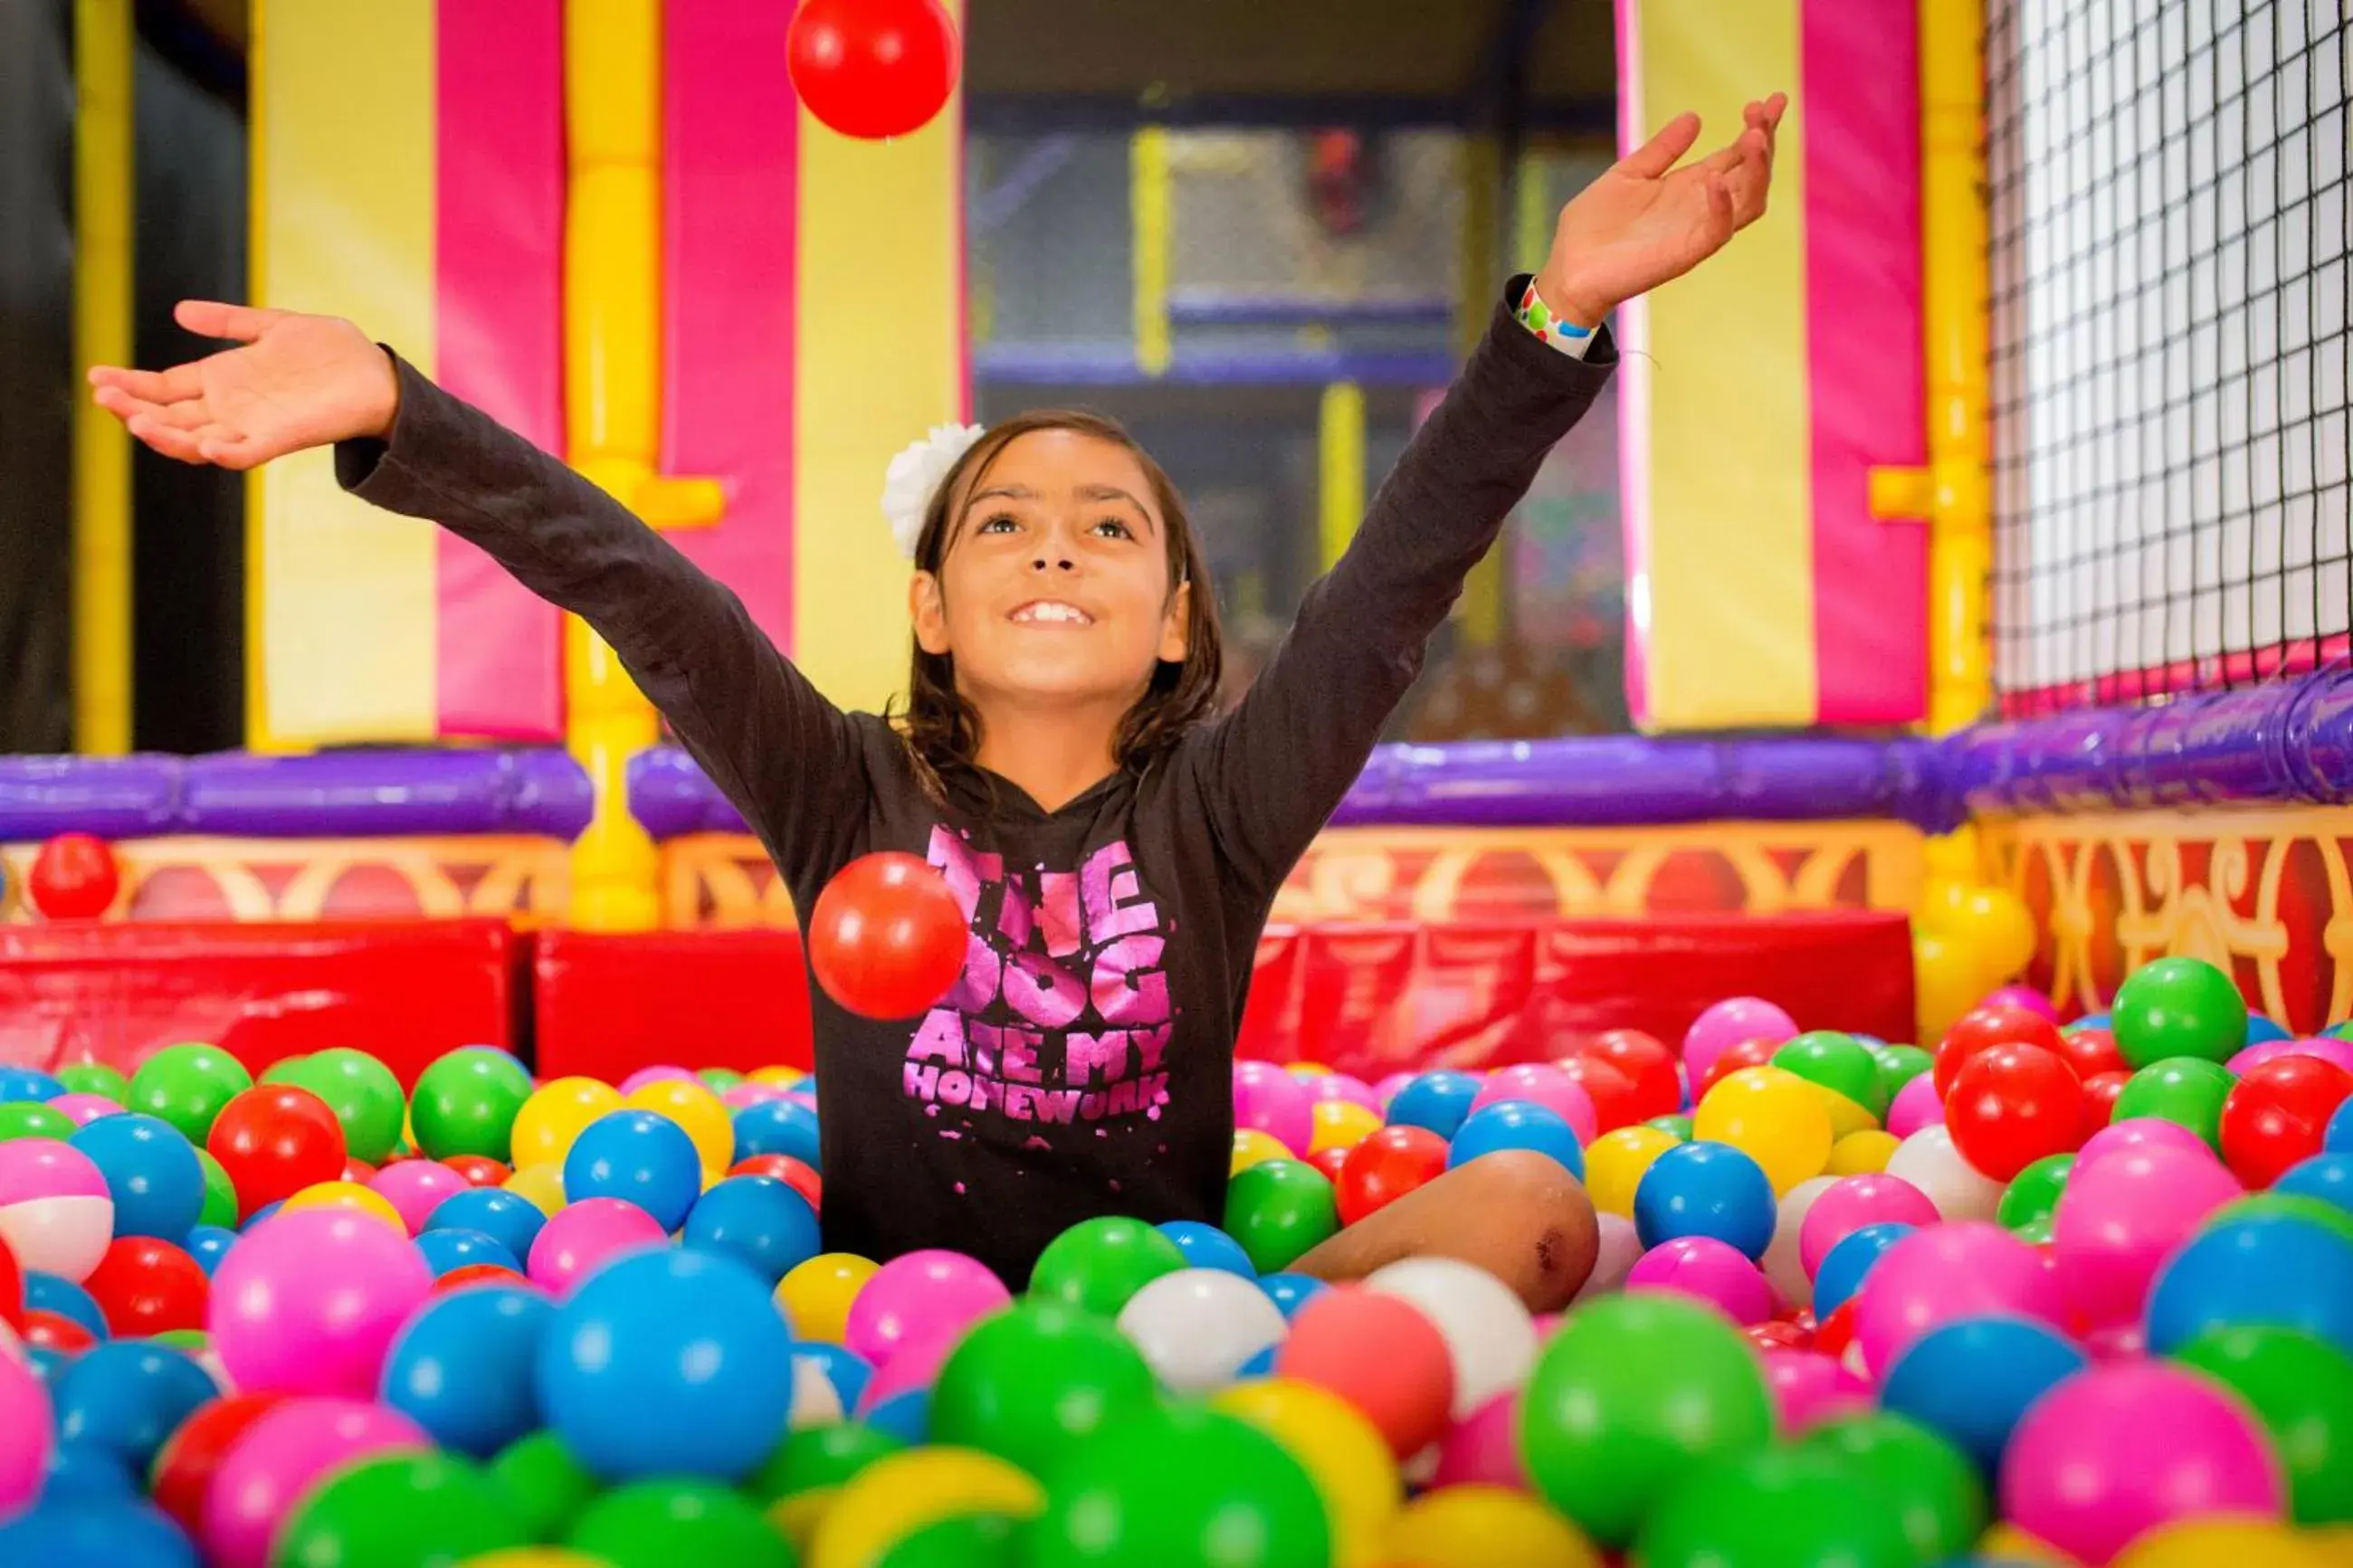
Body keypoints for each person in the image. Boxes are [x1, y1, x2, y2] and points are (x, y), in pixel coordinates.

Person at [92, 98, 1785, 1309]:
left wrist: (1554, 321)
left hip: (1174, 1324)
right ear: (932, 602)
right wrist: (399, 403)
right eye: (1004, 520)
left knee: (1527, 1202)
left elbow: (1392, 588)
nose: (1057, 547)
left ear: (1178, 614)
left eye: (1110, 526)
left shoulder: (1220, 809)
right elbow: (643, 590)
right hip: (876, 1330)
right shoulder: (840, 795)